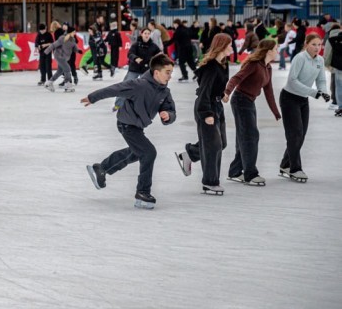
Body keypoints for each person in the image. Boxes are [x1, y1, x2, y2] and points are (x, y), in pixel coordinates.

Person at [83, 53, 177, 209]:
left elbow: (170, 110)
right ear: (156, 72)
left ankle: (101, 168)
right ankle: (143, 193)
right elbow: (114, 89)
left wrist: (168, 115)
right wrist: (93, 97)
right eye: (167, 72)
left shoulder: (164, 92)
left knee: (136, 152)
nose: (170, 76)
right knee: (149, 152)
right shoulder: (139, 85)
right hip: (126, 124)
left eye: (171, 72)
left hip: (137, 127)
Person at [174, 33, 232, 195]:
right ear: (222, 46)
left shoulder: (223, 64)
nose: (232, 48)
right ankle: (210, 183)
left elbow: (216, 86)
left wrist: (222, 94)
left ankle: (189, 154)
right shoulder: (211, 67)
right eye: (229, 45)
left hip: (217, 106)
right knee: (213, 146)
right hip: (206, 107)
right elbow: (204, 91)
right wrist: (206, 113)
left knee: (221, 143)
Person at [220, 40, 282, 185]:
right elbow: (236, 78)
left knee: (244, 136)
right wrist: (227, 92)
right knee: (251, 136)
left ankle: (235, 171)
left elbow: (269, 91)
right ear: (268, 51)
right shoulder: (254, 64)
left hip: (249, 102)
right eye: (275, 49)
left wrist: (276, 112)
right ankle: (250, 174)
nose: (277, 51)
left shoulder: (268, 67)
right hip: (240, 101)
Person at [279, 33, 330, 182]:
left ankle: (285, 164)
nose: (317, 48)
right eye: (314, 44)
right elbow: (292, 81)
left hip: (303, 100)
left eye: (319, 44)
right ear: (306, 44)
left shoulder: (320, 60)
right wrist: (314, 92)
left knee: (301, 135)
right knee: (295, 134)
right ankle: (295, 169)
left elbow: (321, 80)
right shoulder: (300, 58)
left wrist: (324, 92)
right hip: (289, 99)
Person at [113, 27, 162, 112]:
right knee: (126, 86)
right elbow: (130, 54)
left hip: (146, 71)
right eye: (145, 33)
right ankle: (118, 104)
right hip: (134, 69)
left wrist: (160, 57)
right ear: (141, 34)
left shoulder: (153, 46)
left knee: (149, 88)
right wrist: (135, 58)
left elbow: (159, 54)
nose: (147, 35)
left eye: (148, 34)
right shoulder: (136, 44)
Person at [44, 26, 79, 93]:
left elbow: (74, 47)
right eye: (74, 32)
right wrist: (46, 51)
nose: (75, 33)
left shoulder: (73, 39)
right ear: (70, 32)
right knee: (67, 68)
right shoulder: (62, 38)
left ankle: (49, 83)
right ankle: (67, 84)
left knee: (60, 71)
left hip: (64, 57)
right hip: (59, 55)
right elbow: (53, 45)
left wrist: (78, 50)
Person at [324, 23, 342, 115]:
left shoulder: (331, 39)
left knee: (338, 86)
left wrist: (327, 65)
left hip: (338, 66)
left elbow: (327, 53)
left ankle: (340, 106)